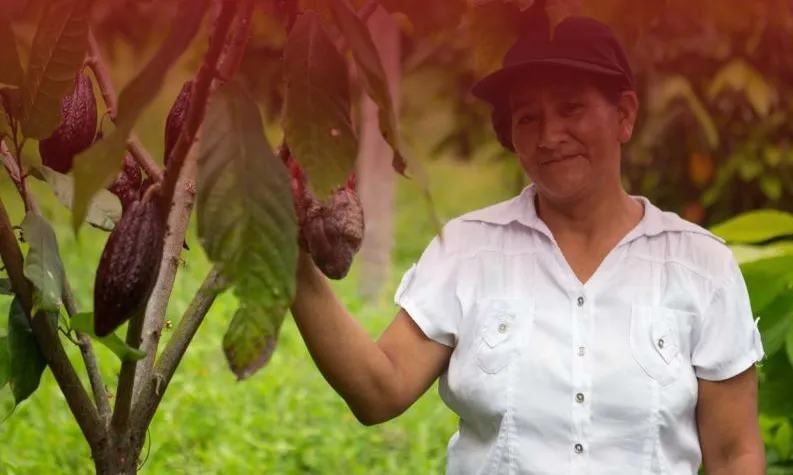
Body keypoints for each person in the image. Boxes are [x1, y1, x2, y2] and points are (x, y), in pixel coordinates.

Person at [289, 4, 767, 475]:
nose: (549, 135)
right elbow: (380, 390)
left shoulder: (701, 265)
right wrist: (289, 263)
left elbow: (734, 454)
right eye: (527, 117)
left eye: (571, 107)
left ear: (624, 115)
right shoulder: (467, 250)